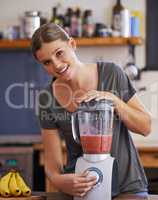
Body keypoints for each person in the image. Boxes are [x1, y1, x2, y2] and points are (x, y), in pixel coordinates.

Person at [31, 23, 151, 197]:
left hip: (128, 187)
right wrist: (61, 181)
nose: (56, 65)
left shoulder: (112, 74)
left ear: (72, 44)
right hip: (81, 188)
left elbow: (145, 127)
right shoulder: (46, 98)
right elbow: (52, 165)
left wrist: (114, 100)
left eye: (59, 53)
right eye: (47, 62)